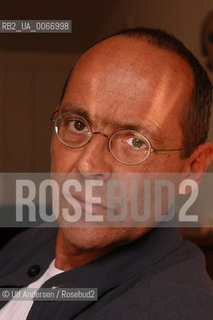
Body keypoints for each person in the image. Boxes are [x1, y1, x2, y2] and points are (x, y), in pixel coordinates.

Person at [0, 27, 213, 320]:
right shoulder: (30, 241)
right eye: (77, 124)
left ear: (192, 169)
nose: (87, 165)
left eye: (136, 142)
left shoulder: (176, 309)